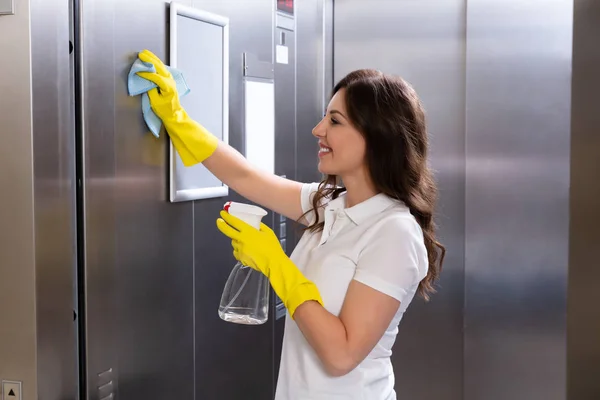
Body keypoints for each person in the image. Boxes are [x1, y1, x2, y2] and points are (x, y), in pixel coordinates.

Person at [136, 49, 446, 399]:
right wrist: (178, 119)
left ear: (376, 136)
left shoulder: (394, 233)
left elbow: (341, 355)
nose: (318, 130)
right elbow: (246, 176)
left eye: (335, 121)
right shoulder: (330, 205)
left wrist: (276, 264)